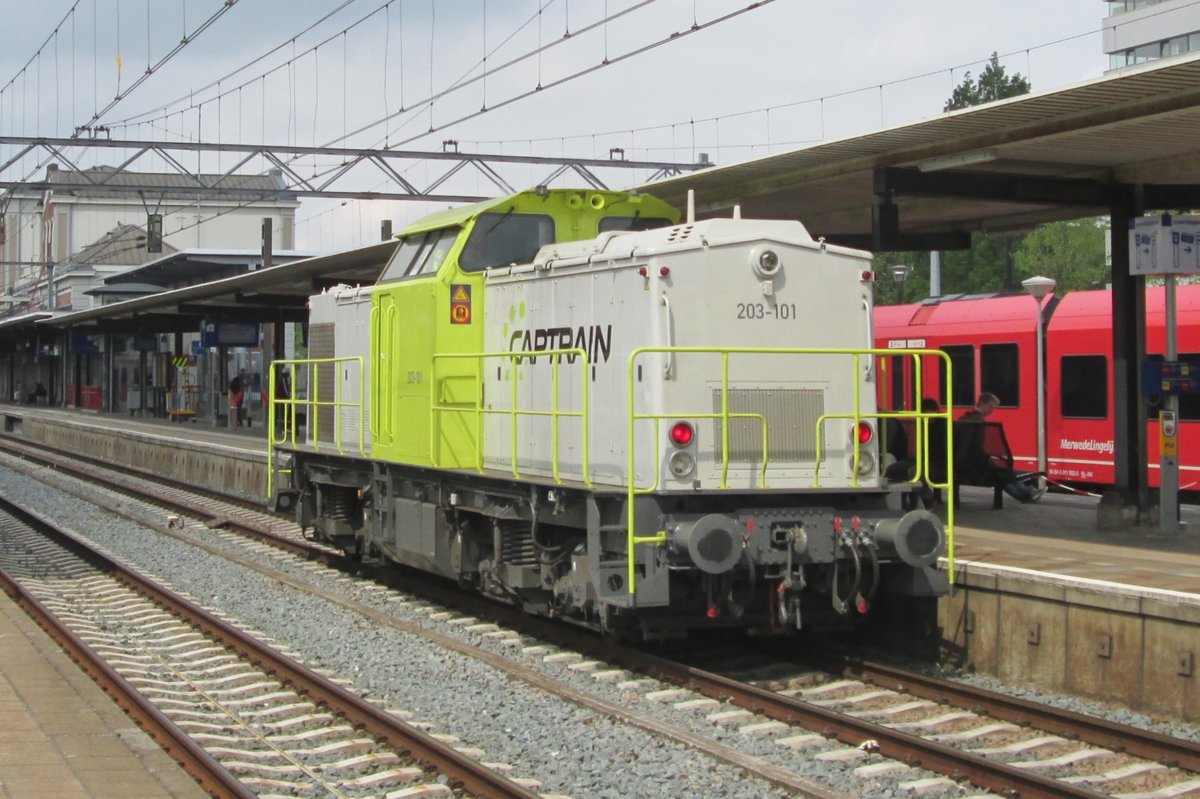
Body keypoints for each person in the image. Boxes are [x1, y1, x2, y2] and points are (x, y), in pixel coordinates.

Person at [957, 392, 1044, 503]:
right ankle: (1028, 492)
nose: (992, 410)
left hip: (963, 463)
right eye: (990, 406)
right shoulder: (979, 422)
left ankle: (1026, 494)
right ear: (982, 403)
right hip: (973, 465)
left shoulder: (963, 418)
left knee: (1000, 474)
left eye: (994, 407)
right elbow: (977, 446)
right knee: (1001, 471)